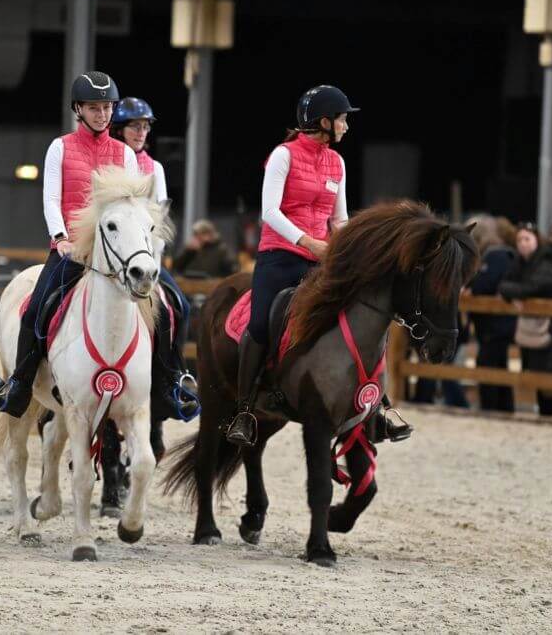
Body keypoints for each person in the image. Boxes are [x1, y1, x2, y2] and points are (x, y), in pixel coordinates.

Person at [0, 72, 199, 421]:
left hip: (120, 256)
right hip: (73, 251)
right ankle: (19, 385)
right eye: (94, 107)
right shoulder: (60, 147)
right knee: (35, 309)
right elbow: (51, 199)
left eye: (107, 107)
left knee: (170, 310)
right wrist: (60, 239)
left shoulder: (125, 154)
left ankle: (171, 382)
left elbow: (135, 209)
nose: (102, 114)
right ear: (78, 110)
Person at [223, 85, 410, 447]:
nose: (346, 125)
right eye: (342, 119)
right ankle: (244, 409)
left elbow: (339, 219)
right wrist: (307, 243)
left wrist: (347, 248)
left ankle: (377, 405)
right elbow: (269, 212)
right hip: (280, 255)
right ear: (324, 121)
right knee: (261, 323)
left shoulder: (337, 162)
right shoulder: (283, 155)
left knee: (362, 314)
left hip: (324, 257)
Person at [106, 95, 200, 422]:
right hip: (111, 256)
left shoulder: (154, 168)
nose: (141, 132)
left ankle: (174, 376)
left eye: (145, 126)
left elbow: (159, 218)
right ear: (119, 129)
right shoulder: (108, 161)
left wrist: (154, 260)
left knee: (181, 307)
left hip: (145, 257)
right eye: (135, 126)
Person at [499, 222, 552, 417]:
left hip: (549, 328)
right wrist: (515, 294)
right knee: (535, 374)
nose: (523, 243)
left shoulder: (546, 261)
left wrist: (518, 294)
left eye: (527, 239)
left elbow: (539, 285)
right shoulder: (519, 263)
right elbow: (503, 285)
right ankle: (544, 414)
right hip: (532, 328)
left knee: (548, 376)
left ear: (536, 240)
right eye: (519, 240)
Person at [468, 215, 517, 412]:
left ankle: (491, 408)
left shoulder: (495, 255)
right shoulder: (503, 254)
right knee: (499, 366)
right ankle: (505, 408)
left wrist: (472, 288)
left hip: (494, 325)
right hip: (498, 324)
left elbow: (483, 283)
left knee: (487, 365)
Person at [173, 219, 238, 278]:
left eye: (202, 234)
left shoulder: (221, 250)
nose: (198, 237)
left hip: (211, 286)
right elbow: (176, 267)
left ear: (210, 234)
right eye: (196, 234)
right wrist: (188, 252)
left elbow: (232, 270)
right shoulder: (190, 250)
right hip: (190, 285)